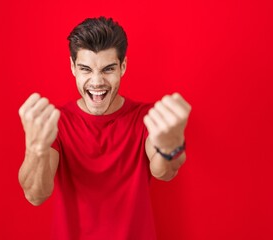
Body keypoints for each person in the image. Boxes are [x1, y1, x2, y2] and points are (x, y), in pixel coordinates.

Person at [18, 16, 191, 240]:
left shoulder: (145, 117)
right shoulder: (56, 122)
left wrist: (172, 146)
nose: (97, 81)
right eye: (85, 69)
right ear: (72, 67)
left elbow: (164, 171)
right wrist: (35, 148)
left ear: (123, 66)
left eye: (108, 69)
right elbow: (36, 195)